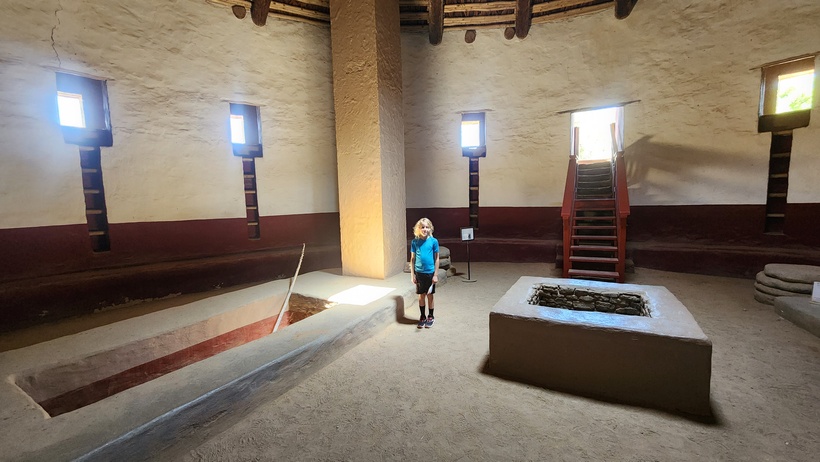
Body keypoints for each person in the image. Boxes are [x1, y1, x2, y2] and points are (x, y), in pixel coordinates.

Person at [410, 218, 439, 329]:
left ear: (430, 229)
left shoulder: (434, 241)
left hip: (430, 272)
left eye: (427, 227)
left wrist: (435, 274)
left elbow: (437, 258)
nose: (425, 229)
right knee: (421, 295)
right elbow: (412, 259)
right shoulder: (415, 242)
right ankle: (422, 316)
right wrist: (412, 275)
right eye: (422, 227)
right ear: (418, 229)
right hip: (419, 273)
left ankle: (430, 316)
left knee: (430, 295)